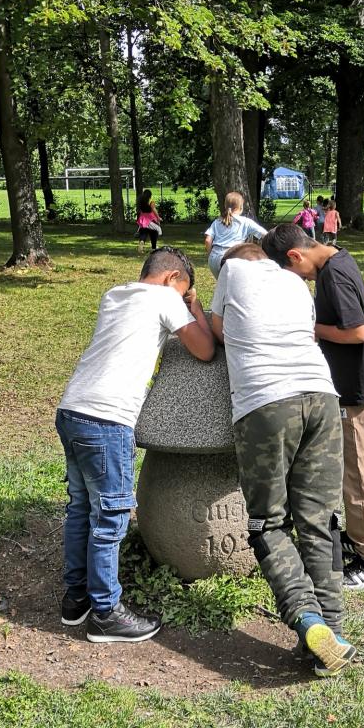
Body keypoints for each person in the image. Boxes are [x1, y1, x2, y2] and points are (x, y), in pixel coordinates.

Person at [210, 244, 356, 677]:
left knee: (267, 523)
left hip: (266, 404)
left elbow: (219, 331)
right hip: (323, 397)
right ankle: (334, 631)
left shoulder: (231, 272)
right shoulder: (294, 282)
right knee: (322, 521)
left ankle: (307, 620)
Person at [56, 248, 214, 643]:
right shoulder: (164, 298)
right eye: (182, 290)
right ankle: (106, 613)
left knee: (81, 509)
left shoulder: (115, 294)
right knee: (111, 518)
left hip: (72, 409)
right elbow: (205, 349)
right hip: (107, 420)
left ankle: (76, 599)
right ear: (172, 278)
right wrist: (194, 307)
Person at [262, 225, 364, 592]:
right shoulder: (339, 257)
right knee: (356, 469)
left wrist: (312, 328)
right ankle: (361, 535)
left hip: (357, 390)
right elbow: (362, 301)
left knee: (361, 473)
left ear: (296, 255)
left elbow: (357, 331)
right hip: (360, 383)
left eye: (293, 271)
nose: (299, 279)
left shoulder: (331, 276)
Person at [204, 191, 267, 278]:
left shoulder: (217, 221)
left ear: (225, 206)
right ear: (241, 207)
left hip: (214, 259)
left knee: (222, 283)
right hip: (231, 258)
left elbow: (208, 240)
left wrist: (210, 254)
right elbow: (265, 235)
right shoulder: (245, 222)